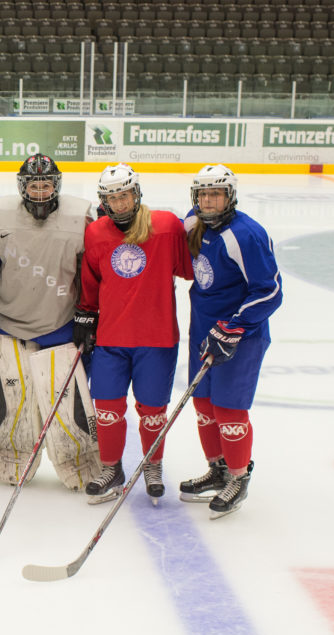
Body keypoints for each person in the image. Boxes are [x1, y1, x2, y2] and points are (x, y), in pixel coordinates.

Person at [74, 164, 193, 505]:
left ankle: (153, 465)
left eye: (124, 195)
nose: (120, 203)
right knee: (108, 409)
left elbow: (187, 269)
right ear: (104, 201)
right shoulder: (96, 232)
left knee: (152, 410)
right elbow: (91, 282)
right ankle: (112, 468)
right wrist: (85, 314)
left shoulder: (167, 226)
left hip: (156, 340)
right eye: (112, 197)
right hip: (112, 339)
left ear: (136, 193)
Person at [0, 153, 99, 488]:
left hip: (61, 324)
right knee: (12, 402)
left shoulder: (82, 217)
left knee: (68, 402)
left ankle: (80, 462)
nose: (41, 191)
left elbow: (93, 269)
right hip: (7, 323)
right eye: (34, 184)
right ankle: (12, 460)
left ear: (56, 185)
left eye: (46, 184)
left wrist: (89, 313)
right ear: (23, 186)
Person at [179, 164, 282, 519]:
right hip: (203, 332)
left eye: (216, 194)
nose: (208, 202)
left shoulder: (247, 235)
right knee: (204, 406)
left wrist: (235, 326)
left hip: (240, 338)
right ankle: (218, 469)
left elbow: (270, 292)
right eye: (203, 195)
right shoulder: (193, 222)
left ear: (230, 196)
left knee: (228, 411)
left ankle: (238, 477)